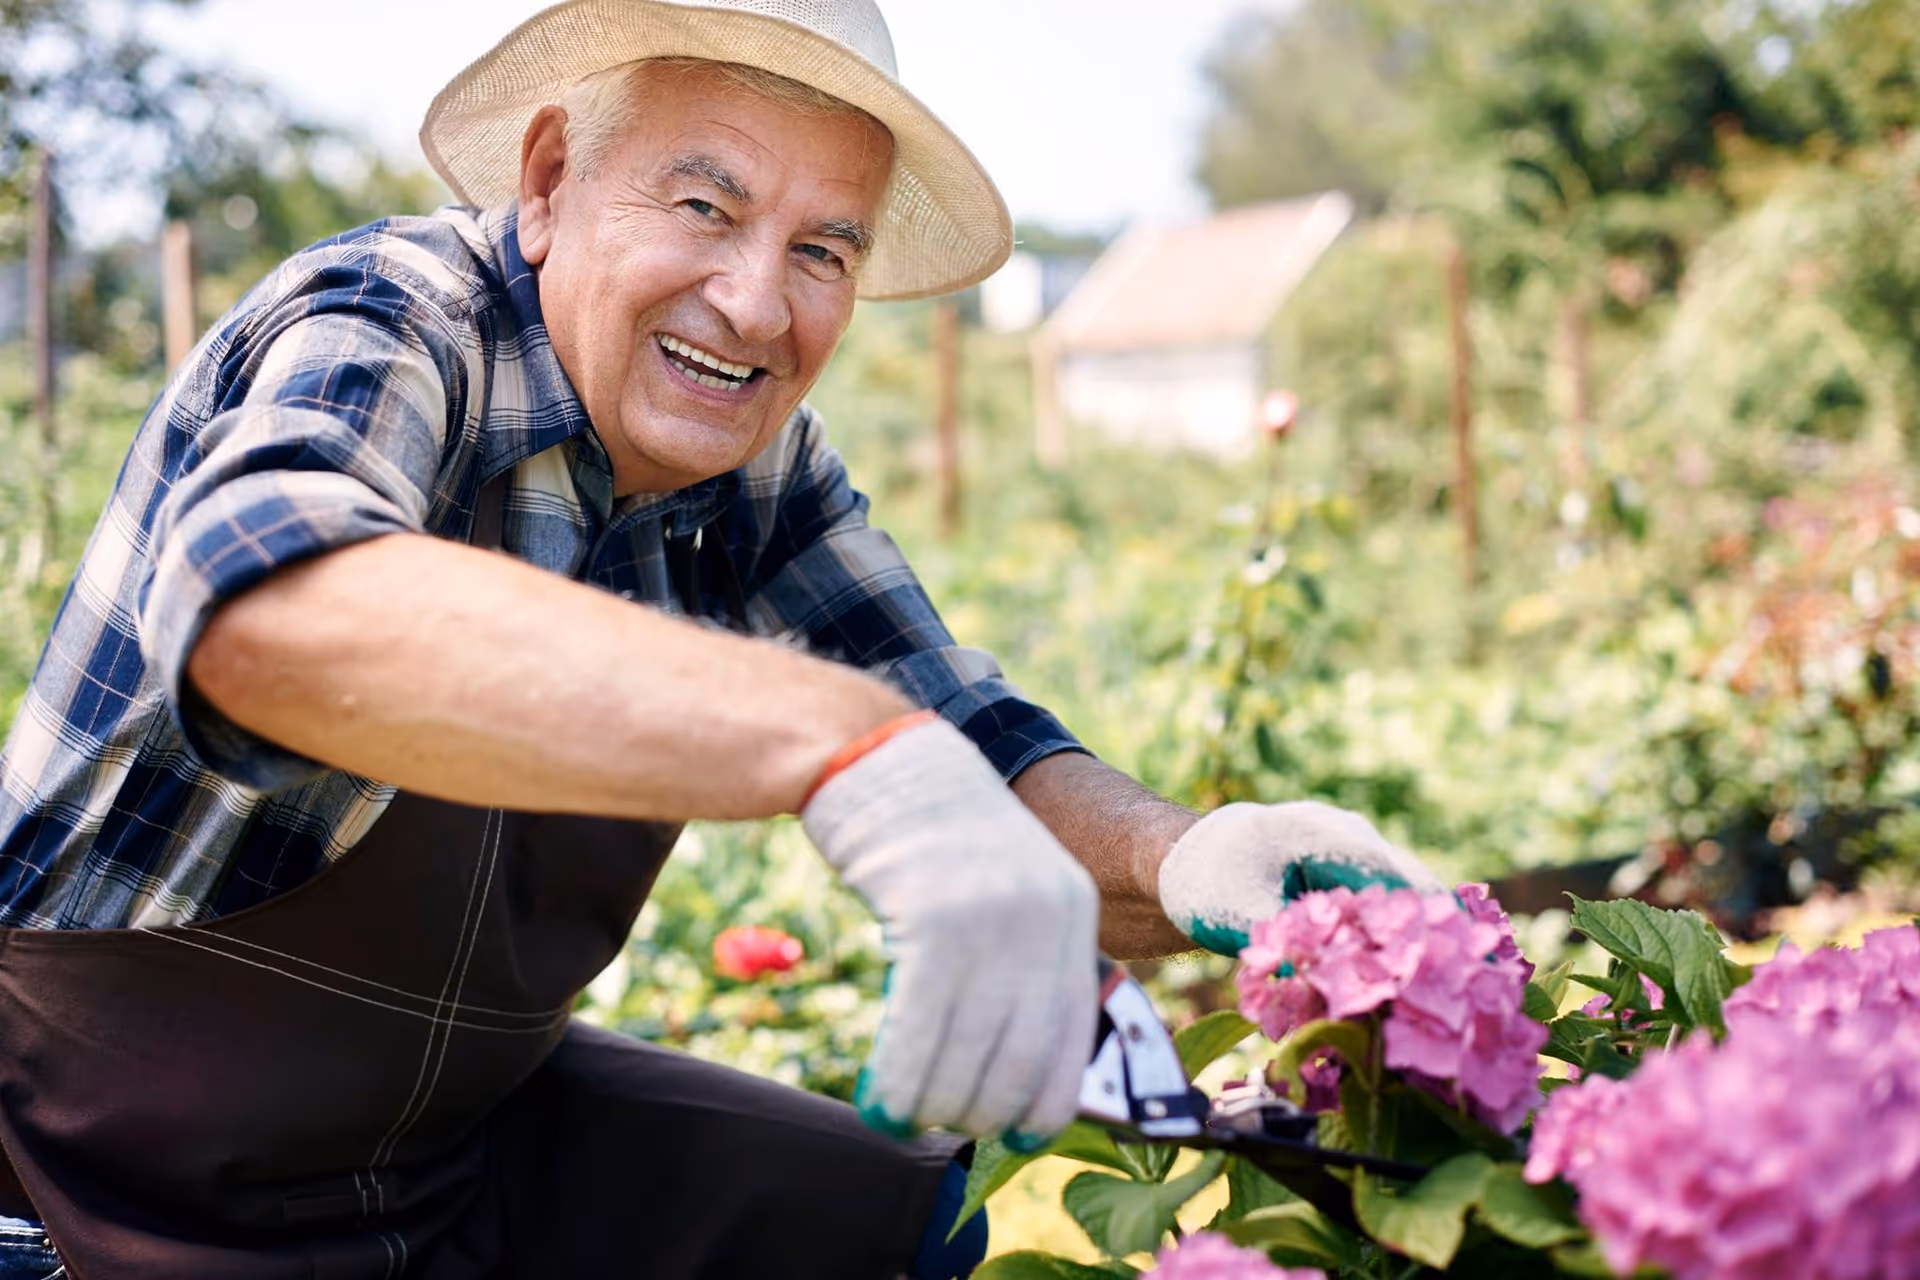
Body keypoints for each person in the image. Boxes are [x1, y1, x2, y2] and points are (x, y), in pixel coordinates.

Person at [0, 1, 1442, 1275]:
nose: (757, 304)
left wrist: (1181, 857)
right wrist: (831, 744)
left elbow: (967, 733)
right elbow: (269, 617)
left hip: (444, 1134)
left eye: (824, 248)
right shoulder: (389, 322)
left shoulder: (752, 469)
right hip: (90, 1176)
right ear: (553, 178)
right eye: (704, 205)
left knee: (931, 1221)